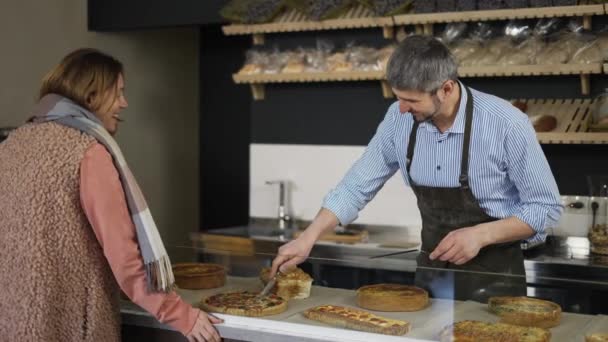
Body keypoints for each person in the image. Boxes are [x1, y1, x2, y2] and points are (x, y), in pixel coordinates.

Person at [270, 35, 563, 301]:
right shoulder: (399, 119)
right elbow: (356, 185)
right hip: (431, 279)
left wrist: (481, 235)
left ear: (446, 89)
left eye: (411, 100)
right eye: (399, 97)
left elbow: (545, 207)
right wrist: (307, 239)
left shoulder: (506, 124)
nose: (402, 108)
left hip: (496, 282)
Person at [0, 48, 221, 342]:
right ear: (92, 96)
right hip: (70, 325)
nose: (124, 103)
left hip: (12, 320)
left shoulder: (13, 143)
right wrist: (181, 315)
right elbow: (124, 255)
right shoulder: (87, 152)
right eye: (117, 93)